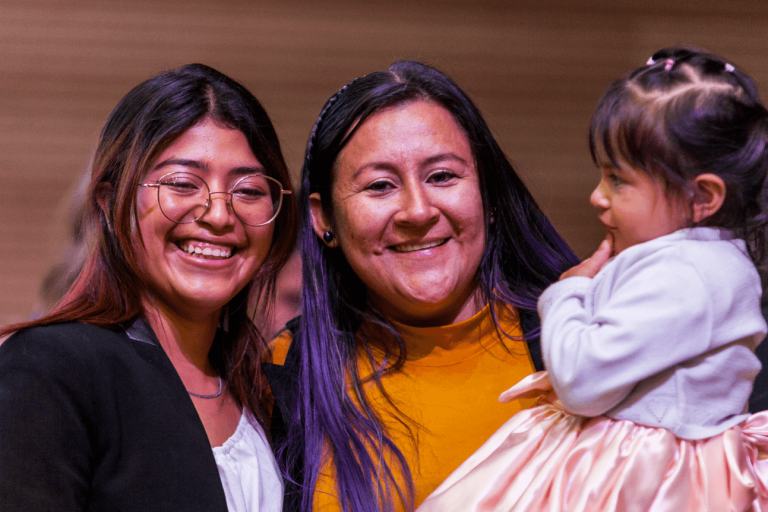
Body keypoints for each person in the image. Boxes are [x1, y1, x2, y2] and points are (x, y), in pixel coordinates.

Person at [418, 47, 768, 512]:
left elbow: (581, 381)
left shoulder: (688, 274)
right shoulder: (696, 264)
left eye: (617, 180)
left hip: (640, 476)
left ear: (702, 196)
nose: (598, 197)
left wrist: (566, 293)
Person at [263, 60, 579, 512]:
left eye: (442, 176)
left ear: (489, 196)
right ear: (324, 218)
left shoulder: (578, 342)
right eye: (380, 186)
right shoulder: (284, 371)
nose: (417, 211)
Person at [0, 63, 297, 512]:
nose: (219, 214)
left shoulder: (269, 393)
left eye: (249, 190)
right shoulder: (51, 367)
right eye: (182, 183)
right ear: (109, 203)